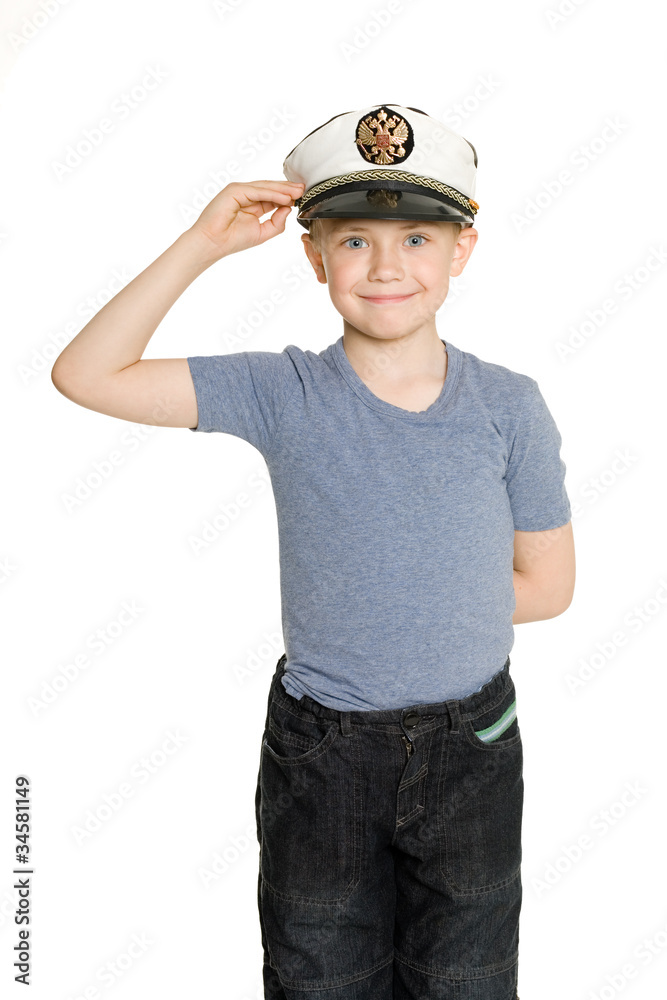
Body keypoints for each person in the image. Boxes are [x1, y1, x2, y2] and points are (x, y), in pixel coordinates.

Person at [51, 103, 575, 1000]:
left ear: (461, 251)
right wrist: (199, 244)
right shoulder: (281, 389)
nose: (385, 267)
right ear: (313, 257)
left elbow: (548, 587)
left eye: (416, 238)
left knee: (469, 981)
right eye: (354, 241)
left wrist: (418, 595)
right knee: (318, 978)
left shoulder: (508, 404)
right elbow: (86, 374)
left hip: (471, 750)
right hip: (321, 754)